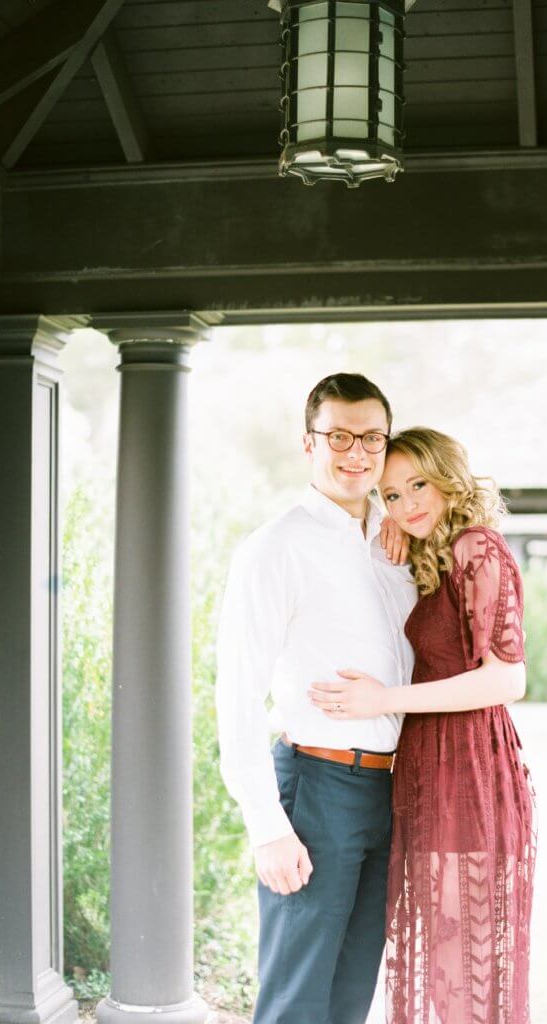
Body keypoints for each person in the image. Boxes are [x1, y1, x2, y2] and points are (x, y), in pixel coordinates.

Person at [310, 427, 537, 1024]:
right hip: (428, 766)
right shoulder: (434, 553)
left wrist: (386, 699)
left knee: (465, 963)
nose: (406, 503)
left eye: (418, 485)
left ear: (448, 479)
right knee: (446, 960)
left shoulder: (476, 547)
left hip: (470, 766)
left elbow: (507, 679)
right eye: (390, 495)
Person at [214, 373, 417, 1024]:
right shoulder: (275, 549)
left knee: (350, 990)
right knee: (297, 999)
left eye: (372, 438)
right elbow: (237, 692)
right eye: (339, 436)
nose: (356, 452)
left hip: (389, 790)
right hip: (316, 788)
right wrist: (268, 828)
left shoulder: (397, 546)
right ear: (309, 442)